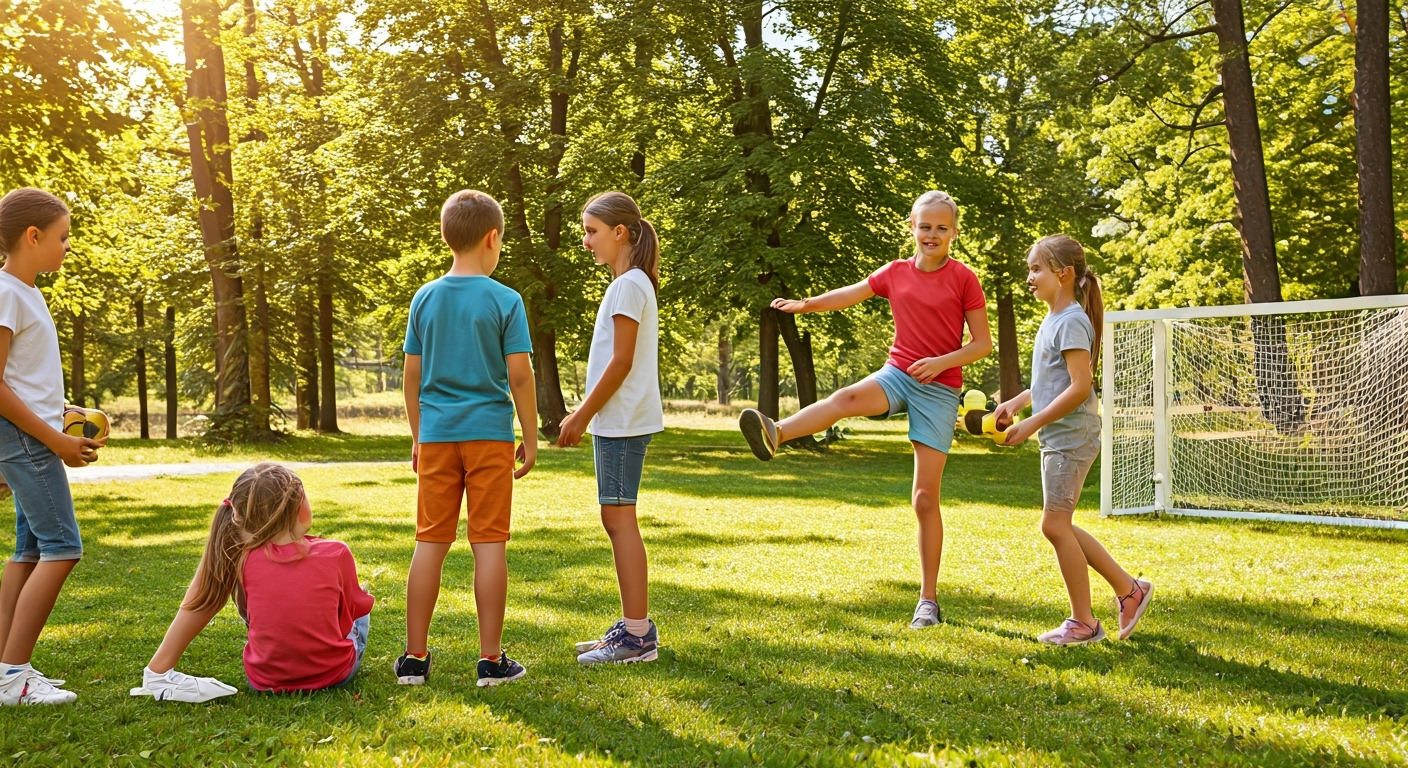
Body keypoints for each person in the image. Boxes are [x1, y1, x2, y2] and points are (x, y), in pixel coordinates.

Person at [738, 191, 992, 629]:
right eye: (925, 226)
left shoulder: (963, 278)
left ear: (954, 232)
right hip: (898, 373)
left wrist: (941, 362)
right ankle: (776, 433)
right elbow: (850, 294)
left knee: (924, 499)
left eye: (941, 228)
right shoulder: (895, 272)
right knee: (846, 399)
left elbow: (982, 343)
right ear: (912, 227)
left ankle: (928, 601)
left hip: (939, 389)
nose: (932, 234)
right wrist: (806, 305)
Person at [398, 190, 538, 687]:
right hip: (489, 438)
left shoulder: (425, 298)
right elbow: (519, 376)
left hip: (437, 437)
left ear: (447, 237)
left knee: (430, 542)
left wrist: (419, 436)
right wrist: (531, 437)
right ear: (492, 238)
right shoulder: (506, 300)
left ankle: (414, 659)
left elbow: (411, 378)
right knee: (489, 544)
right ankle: (490, 660)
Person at [992, 234, 1152, 645]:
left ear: (1063, 274)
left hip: (1072, 436)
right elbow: (1051, 382)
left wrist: (1030, 424)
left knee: (1054, 524)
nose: (1029, 277)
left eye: (1036, 269)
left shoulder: (1071, 321)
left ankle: (1084, 622)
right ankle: (1129, 590)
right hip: (1059, 436)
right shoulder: (1055, 319)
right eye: (1029, 269)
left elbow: (1081, 387)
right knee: (1057, 524)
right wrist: (1017, 402)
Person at [139, 463, 374, 699]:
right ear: (300, 507)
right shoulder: (336, 552)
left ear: (238, 514)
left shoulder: (241, 558)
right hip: (334, 675)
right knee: (360, 607)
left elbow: (214, 603)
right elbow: (352, 612)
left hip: (264, 681)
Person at [0, 188, 105, 706]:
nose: (67, 246)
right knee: (63, 547)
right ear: (32, 236)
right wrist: (56, 441)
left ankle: (4, 666)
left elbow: (22, 376)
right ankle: (13, 676)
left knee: (31, 550)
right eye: (62, 237)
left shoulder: (28, 292)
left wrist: (64, 411)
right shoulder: (6, 293)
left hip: (32, 433)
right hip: (28, 439)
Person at [558, 192, 664, 665]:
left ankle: (637, 637)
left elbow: (621, 361)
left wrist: (581, 414)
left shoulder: (628, 286)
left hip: (620, 422)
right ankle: (634, 625)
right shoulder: (631, 283)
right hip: (619, 420)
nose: (586, 241)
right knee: (616, 518)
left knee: (619, 520)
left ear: (620, 233)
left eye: (592, 231)